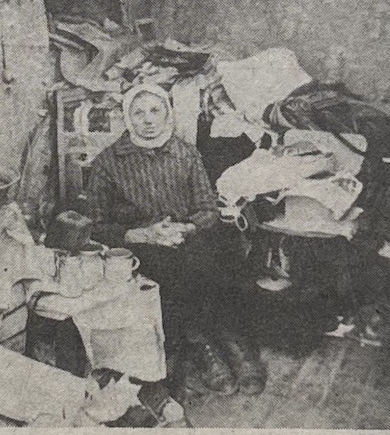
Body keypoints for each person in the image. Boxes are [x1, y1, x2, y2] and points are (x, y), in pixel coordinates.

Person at [86, 84, 266, 395]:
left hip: (185, 235)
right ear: (127, 118)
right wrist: (144, 234)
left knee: (224, 250)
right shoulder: (108, 162)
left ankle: (231, 341)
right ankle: (201, 347)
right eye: (138, 113)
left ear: (167, 113)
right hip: (140, 244)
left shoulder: (186, 153)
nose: (148, 120)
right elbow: (95, 225)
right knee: (176, 267)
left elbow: (207, 209)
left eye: (155, 110)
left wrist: (186, 228)